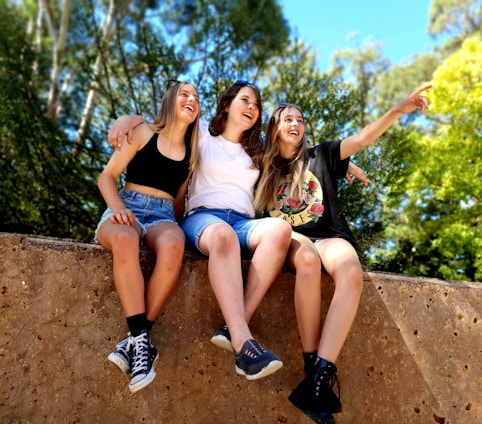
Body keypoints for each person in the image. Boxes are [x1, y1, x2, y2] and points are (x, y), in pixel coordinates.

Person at [252, 86, 431, 423]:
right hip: (290, 238)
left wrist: (396, 109)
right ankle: (310, 367)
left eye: (300, 120)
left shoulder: (322, 155)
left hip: (330, 236)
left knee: (351, 271)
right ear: (274, 128)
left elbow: (362, 138)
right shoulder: (260, 166)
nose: (295, 124)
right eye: (287, 119)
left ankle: (318, 378)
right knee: (307, 260)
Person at [108, 80, 293, 380]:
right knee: (222, 235)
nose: (252, 108)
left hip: (243, 222)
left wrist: (340, 163)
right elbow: (164, 125)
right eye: (245, 100)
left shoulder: (259, 151)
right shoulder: (203, 132)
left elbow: (295, 153)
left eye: (256, 105)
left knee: (280, 232)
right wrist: (126, 120)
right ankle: (244, 343)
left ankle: (234, 326)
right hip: (204, 218)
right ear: (227, 104)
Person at [96, 81, 200, 393]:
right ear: (171, 100)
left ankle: (137, 340)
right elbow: (107, 177)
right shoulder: (142, 133)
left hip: (162, 215)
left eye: (196, 97)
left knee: (174, 243)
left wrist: (180, 229)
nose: (191, 99)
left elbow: (178, 205)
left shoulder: (190, 156)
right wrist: (117, 209)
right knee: (126, 239)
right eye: (184, 93)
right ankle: (142, 341)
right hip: (126, 204)